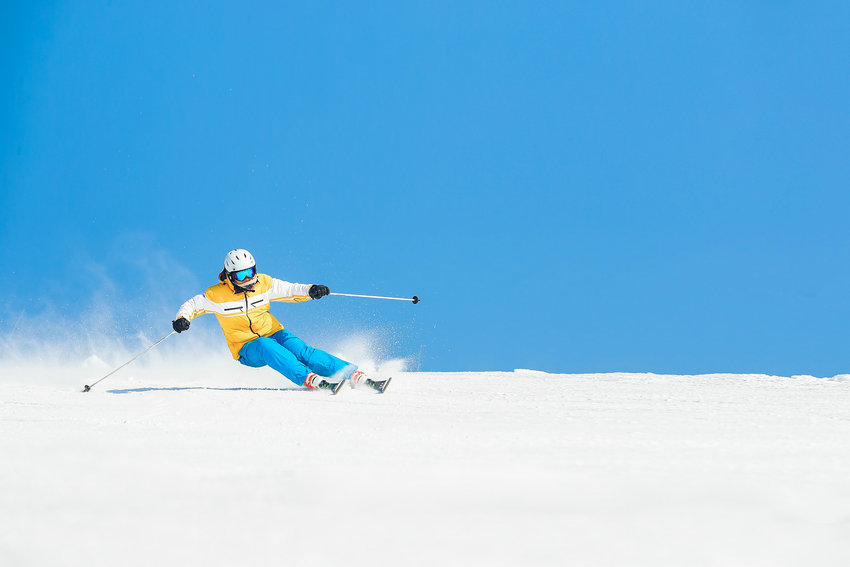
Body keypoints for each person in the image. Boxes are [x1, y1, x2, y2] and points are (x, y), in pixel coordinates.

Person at [171, 249, 388, 394]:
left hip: (274, 332)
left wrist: (311, 290)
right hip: (247, 348)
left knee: (303, 352)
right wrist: (182, 319)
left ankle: (352, 374)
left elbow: (290, 289)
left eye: (250, 272)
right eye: (241, 276)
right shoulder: (216, 295)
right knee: (266, 345)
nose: (248, 279)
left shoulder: (263, 283)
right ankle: (309, 378)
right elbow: (193, 305)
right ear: (229, 276)